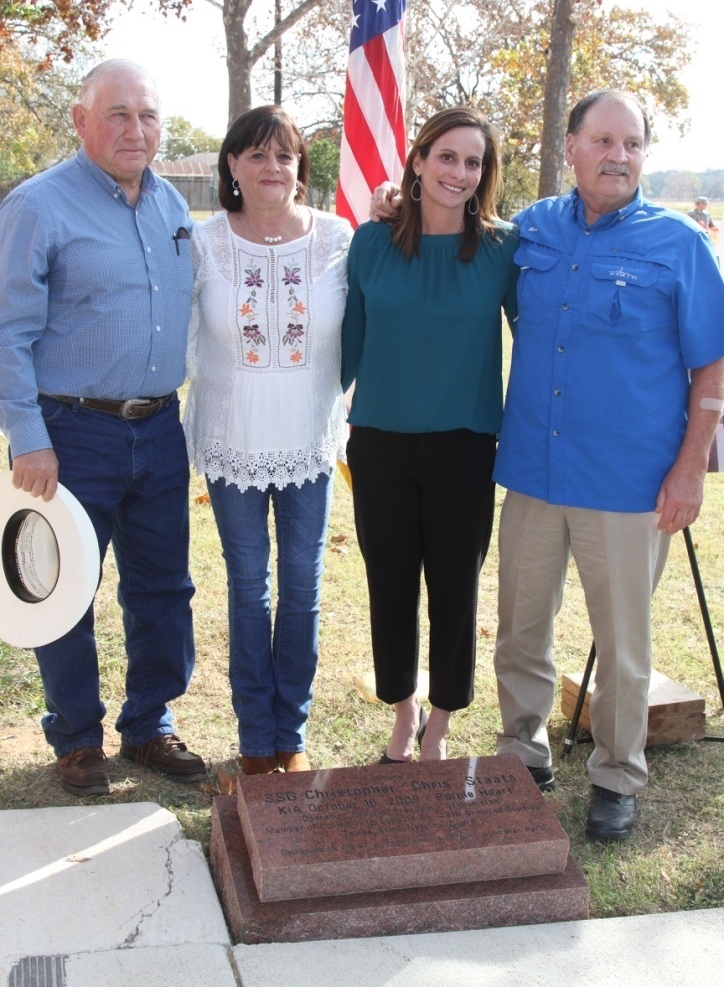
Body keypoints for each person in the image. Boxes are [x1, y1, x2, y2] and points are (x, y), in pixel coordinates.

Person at [492, 90, 724, 841]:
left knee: (623, 646)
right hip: (532, 468)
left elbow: (712, 372)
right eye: (603, 140)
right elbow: (455, 249)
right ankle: (522, 753)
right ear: (571, 146)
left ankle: (617, 776)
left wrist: (690, 471)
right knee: (521, 628)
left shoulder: (680, 244)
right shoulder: (529, 229)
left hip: (628, 485)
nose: (618, 156)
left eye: (632, 144)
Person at [0, 59, 205, 796]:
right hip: (69, 431)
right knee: (66, 589)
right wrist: (27, 435)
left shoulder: (173, 207)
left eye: (147, 115)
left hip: (157, 429)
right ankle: (77, 739)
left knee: (163, 587)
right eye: (117, 114)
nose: (135, 129)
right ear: (82, 121)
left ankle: (149, 724)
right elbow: (7, 330)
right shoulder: (37, 206)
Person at [342, 107, 518, 765]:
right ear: (418, 162)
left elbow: (540, 339)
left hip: (464, 448)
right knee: (389, 586)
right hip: (380, 445)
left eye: (473, 162)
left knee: (454, 589)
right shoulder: (370, 243)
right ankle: (403, 712)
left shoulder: (504, 249)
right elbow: (345, 346)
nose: (459, 172)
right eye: (447, 156)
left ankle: (441, 724)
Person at [184, 106, 350, 775]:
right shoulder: (202, 242)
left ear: (300, 169)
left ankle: (294, 734)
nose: (271, 168)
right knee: (248, 586)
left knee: (303, 588)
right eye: (256, 155)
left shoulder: (340, 238)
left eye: (284, 156)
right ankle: (257, 740)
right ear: (232, 166)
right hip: (233, 438)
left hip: (309, 438)